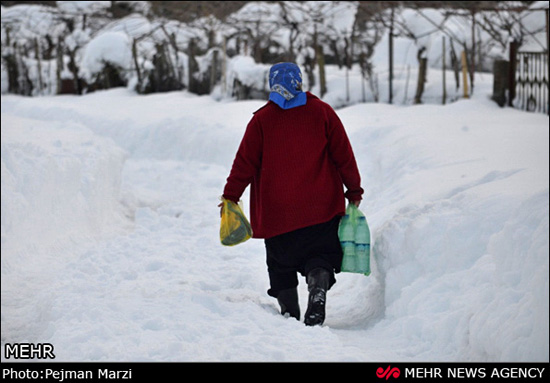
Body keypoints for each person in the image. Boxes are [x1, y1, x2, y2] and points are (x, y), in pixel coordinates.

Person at [221, 62, 363, 326]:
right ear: (300, 81)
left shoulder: (262, 120)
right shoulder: (322, 112)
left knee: (280, 265)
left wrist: (230, 196)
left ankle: (289, 315)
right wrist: (353, 189)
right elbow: (344, 156)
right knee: (320, 257)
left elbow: (244, 163)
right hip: (320, 209)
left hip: (278, 214)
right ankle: (317, 289)